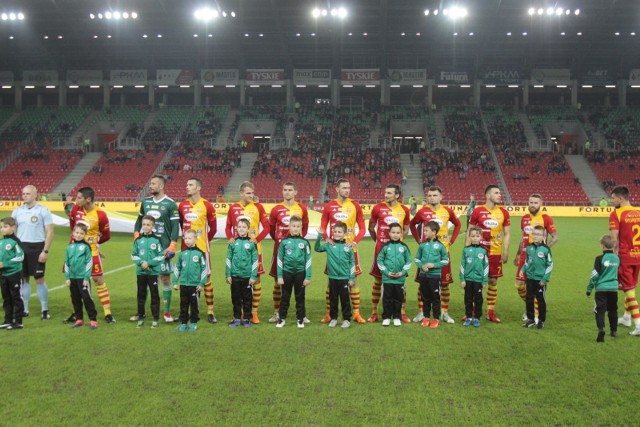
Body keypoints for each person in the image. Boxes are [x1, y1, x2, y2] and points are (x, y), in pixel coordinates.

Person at [409, 186, 461, 324]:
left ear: (441, 197)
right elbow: (412, 224)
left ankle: (444, 312)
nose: (432, 197)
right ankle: (421, 312)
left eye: (434, 195)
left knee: (444, 284)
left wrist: (452, 240)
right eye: (430, 195)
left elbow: (458, 224)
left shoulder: (447, 211)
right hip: (426, 253)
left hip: (442, 253)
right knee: (422, 283)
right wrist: (419, 241)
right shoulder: (422, 212)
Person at [132, 175, 180, 323]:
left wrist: (172, 245)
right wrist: (136, 237)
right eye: (150, 183)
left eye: (153, 184)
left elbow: (175, 226)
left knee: (165, 279)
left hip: (163, 249)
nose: (150, 186)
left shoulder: (171, 204)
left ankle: (166, 312)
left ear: (161, 186)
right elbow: (139, 221)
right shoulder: (145, 202)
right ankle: (141, 313)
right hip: (146, 249)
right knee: (144, 280)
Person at [319, 178, 366, 324]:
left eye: (348, 187)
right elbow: (323, 226)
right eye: (344, 187)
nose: (347, 190)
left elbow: (363, 227)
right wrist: (327, 238)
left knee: (354, 280)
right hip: (334, 250)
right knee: (331, 281)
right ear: (337, 189)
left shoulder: (355, 205)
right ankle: (329, 313)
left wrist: (355, 241)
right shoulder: (329, 206)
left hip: (349, 249)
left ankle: (356, 313)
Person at [67, 187, 114, 324]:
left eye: (79, 198)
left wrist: (96, 244)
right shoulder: (76, 209)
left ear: (88, 199)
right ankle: (77, 314)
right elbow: (73, 226)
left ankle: (107, 313)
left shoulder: (100, 214)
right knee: (75, 283)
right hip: (75, 252)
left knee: (98, 280)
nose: (77, 200)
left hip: (92, 252)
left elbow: (106, 235)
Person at [225, 181, 270, 324]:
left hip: (255, 250)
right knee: (238, 281)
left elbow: (267, 227)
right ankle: (241, 314)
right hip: (238, 249)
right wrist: (230, 238)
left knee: (255, 280)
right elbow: (228, 227)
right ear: (241, 193)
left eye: (252, 193)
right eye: (248, 193)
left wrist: (257, 239)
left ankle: (254, 313)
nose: (251, 195)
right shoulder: (233, 208)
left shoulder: (258, 207)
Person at [466, 185, 510, 323]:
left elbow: (507, 233)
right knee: (474, 282)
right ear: (488, 195)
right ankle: (472, 311)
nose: (499, 195)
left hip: (495, 252)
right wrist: (467, 249)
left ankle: (490, 312)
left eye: (500, 193)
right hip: (478, 251)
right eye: (496, 193)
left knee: (492, 281)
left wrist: (506, 251)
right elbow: (469, 230)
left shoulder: (503, 212)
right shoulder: (478, 211)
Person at [367, 184, 410, 323]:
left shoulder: (404, 209)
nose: (386, 195)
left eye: (389, 193)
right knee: (378, 281)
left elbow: (406, 228)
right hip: (381, 249)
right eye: (386, 192)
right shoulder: (378, 207)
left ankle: (402, 312)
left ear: (397, 195)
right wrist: (379, 242)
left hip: (398, 251)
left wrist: (399, 242)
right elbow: (371, 227)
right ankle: (375, 312)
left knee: (400, 281)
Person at [268, 182, 309, 324]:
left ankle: (302, 315)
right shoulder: (276, 209)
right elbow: (271, 229)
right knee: (277, 281)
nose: (287, 192)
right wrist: (280, 242)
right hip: (280, 248)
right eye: (285, 190)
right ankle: (277, 312)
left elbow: (305, 227)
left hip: (298, 251)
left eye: (290, 190)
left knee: (300, 282)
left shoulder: (302, 208)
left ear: (295, 192)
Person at [514, 194, 558, 323]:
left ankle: (535, 313)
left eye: (535, 203)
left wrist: (544, 250)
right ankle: (531, 306)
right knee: (519, 285)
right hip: (525, 255)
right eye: (530, 202)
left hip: (539, 259)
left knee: (537, 286)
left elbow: (555, 237)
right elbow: (523, 238)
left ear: (541, 204)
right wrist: (517, 254)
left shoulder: (546, 218)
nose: (532, 205)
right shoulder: (524, 218)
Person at [178, 178, 217, 324]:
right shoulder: (182, 205)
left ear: (198, 187)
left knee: (206, 279)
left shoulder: (207, 205)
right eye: (186, 184)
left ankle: (210, 312)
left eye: (190, 185)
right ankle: (188, 312)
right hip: (185, 249)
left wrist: (205, 241)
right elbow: (182, 225)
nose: (187, 187)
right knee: (187, 280)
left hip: (202, 249)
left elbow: (213, 228)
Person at [11, 185, 54, 320]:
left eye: (28, 194)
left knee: (39, 279)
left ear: (36, 195)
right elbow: (12, 232)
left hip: (37, 247)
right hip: (21, 246)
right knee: (24, 279)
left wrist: (45, 251)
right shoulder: (17, 211)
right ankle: (25, 309)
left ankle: (44, 309)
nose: (25, 196)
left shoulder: (43, 210)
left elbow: (50, 232)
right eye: (23, 193)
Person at [609, 185, 640, 335]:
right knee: (631, 286)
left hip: (625, 256)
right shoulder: (639, 211)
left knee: (628, 290)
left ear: (620, 198)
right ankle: (627, 317)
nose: (612, 201)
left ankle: (638, 323)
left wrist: (613, 257)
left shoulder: (617, 213)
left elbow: (614, 239)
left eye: (613, 198)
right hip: (638, 256)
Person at [315, 222, 355, 328]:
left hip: (344, 278)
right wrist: (320, 236)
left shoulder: (348, 247)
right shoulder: (329, 245)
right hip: (332, 278)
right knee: (333, 299)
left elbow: (352, 263)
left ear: (345, 234)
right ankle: (333, 318)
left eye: (339, 232)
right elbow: (317, 248)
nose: (337, 233)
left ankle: (346, 319)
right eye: (335, 231)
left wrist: (351, 278)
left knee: (345, 300)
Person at [276, 216, 312, 329]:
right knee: (285, 297)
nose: (295, 229)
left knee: (300, 297)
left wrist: (308, 276)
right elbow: (279, 260)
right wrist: (280, 276)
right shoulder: (284, 242)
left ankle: (300, 319)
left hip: (300, 274)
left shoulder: (305, 243)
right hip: (286, 273)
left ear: (301, 227)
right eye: (293, 226)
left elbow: (308, 260)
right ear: (289, 227)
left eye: (298, 226)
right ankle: (282, 319)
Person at [131, 215, 165, 329]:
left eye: (148, 225)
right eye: (144, 224)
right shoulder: (138, 240)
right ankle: (141, 317)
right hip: (141, 273)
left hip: (153, 273)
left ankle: (155, 319)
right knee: (140, 295)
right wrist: (141, 263)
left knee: (154, 296)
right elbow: (133, 255)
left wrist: (149, 263)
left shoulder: (157, 240)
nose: (145, 227)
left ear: (153, 226)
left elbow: (161, 256)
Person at [414, 221, 449, 328]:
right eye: (424, 230)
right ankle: (426, 317)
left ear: (434, 232)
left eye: (426, 231)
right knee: (425, 297)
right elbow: (416, 258)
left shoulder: (440, 246)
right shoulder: (422, 245)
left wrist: (434, 265)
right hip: (423, 276)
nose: (424, 232)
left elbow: (445, 260)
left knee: (435, 298)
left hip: (435, 276)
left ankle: (436, 318)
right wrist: (421, 266)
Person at [377, 223, 412, 327]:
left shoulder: (404, 247)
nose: (395, 235)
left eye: (398, 232)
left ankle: (397, 317)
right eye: (393, 232)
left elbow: (409, 261)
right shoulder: (385, 247)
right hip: (387, 279)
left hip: (400, 279)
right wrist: (386, 272)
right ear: (389, 233)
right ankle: (386, 317)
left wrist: (403, 272)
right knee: (387, 298)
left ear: (401, 234)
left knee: (398, 298)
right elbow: (379, 260)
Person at [172, 229, 207, 332]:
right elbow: (177, 267)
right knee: (183, 304)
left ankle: (193, 323)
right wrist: (175, 282)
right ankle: (183, 323)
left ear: (195, 239)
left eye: (189, 238)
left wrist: (201, 283)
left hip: (195, 285)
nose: (187, 240)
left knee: (194, 305)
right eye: (185, 238)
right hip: (183, 284)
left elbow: (204, 269)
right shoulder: (183, 253)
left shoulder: (200, 253)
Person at [586, 235, 620, 342]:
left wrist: (589, 288)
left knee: (599, 310)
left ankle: (601, 329)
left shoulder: (599, 258)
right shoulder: (617, 258)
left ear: (602, 246)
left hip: (601, 289)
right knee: (613, 310)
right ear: (613, 246)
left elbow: (595, 275)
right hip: (613, 289)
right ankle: (614, 331)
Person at [225, 218, 258, 328]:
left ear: (248, 229)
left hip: (247, 277)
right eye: (239, 227)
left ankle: (247, 319)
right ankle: (237, 318)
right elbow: (228, 259)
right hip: (235, 276)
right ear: (236, 229)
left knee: (248, 299)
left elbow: (255, 260)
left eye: (244, 227)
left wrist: (253, 276)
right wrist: (228, 274)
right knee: (235, 298)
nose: (241, 229)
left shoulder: (252, 243)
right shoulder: (233, 243)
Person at [64, 223, 98, 330]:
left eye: (81, 233)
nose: (78, 235)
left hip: (82, 278)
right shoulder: (69, 247)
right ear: (73, 233)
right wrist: (67, 277)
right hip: (72, 278)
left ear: (85, 235)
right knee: (75, 299)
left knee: (87, 298)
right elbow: (67, 263)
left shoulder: (86, 247)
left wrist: (86, 278)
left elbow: (89, 262)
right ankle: (79, 319)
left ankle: (93, 320)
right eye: (77, 232)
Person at [522, 225, 553, 329]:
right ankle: (531, 319)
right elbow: (527, 261)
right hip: (530, 278)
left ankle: (541, 320)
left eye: (538, 234)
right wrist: (523, 270)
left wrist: (544, 279)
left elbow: (550, 265)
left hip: (540, 280)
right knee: (529, 299)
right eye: (534, 234)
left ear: (543, 236)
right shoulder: (529, 248)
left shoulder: (545, 249)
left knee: (541, 301)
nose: (535, 236)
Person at [460, 226, 489, 328]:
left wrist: (484, 281)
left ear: (481, 237)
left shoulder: (483, 251)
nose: (475, 238)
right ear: (469, 237)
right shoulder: (466, 250)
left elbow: (486, 266)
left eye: (477, 236)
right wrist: (462, 279)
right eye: (473, 236)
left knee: (478, 299)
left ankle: (477, 318)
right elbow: (462, 266)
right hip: (468, 280)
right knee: (467, 299)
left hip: (478, 280)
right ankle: (468, 317)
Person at [0, 217, 25, 330]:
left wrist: (5, 264)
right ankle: (8, 320)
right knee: (6, 298)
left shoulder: (15, 241)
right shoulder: (1, 242)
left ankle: (18, 321)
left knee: (16, 297)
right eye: (1, 227)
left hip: (14, 274)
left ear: (13, 228)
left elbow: (20, 257)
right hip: (3, 275)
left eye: (5, 227)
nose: (2, 229)